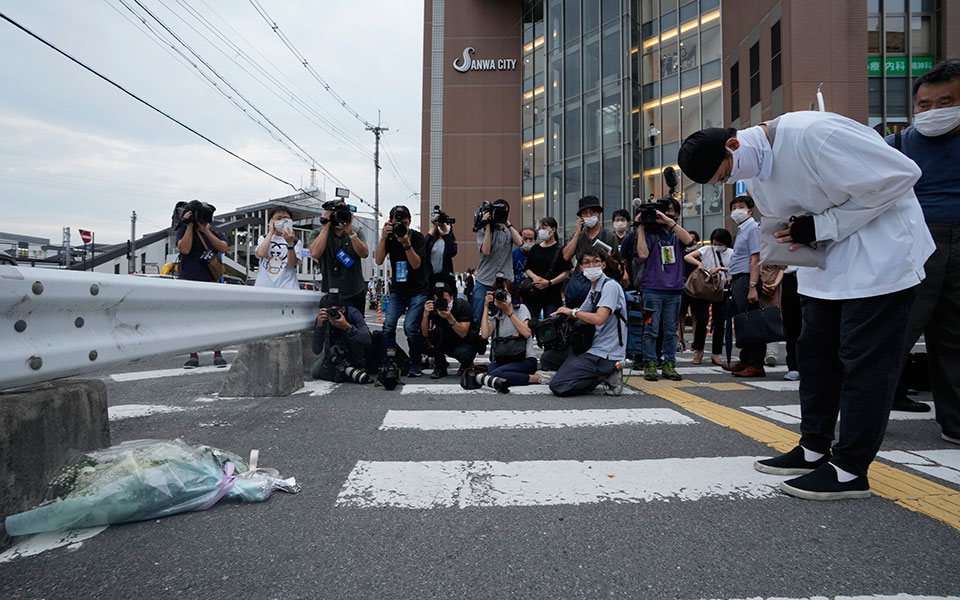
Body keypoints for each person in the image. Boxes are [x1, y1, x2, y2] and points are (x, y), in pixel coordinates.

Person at [679, 109, 934, 500]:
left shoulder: (814, 133)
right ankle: (814, 447)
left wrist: (822, 226)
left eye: (725, 175)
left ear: (733, 145)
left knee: (865, 361)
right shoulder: (757, 165)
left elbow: (901, 175)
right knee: (814, 356)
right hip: (822, 267)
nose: (729, 185)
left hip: (879, 260)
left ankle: (851, 468)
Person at [886, 59, 960, 424]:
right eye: (924, 105)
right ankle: (861, 422)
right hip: (912, 241)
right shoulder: (894, 145)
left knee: (954, 340)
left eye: (945, 103)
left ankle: (955, 423)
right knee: (892, 334)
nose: (933, 112)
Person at [547, 248, 627, 397]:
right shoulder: (594, 287)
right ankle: (581, 369)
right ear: (581, 268)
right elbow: (580, 314)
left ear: (603, 265)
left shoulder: (610, 286)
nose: (592, 266)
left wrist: (572, 312)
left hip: (605, 352)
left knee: (558, 386)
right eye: (587, 262)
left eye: (596, 261)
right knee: (549, 358)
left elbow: (599, 319)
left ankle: (606, 374)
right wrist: (560, 314)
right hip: (591, 344)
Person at [634, 198, 695, 381]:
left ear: (676, 213)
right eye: (661, 211)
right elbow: (643, 254)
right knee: (650, 329)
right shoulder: (651, 233)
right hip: (651, 289)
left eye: (668, 211)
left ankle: (669, 364)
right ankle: (650, 363)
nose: (663, 214)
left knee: (670, 331)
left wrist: (670, 222)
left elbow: (689, 241)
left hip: (674, 290)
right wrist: (641, 226)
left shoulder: (677, 233)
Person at [375, 204, 429, 378]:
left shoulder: (418, 237)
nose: (401, 227)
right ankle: (389, 361)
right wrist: (383, 238)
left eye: (404, 223)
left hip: (418, 290)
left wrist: (406, 244)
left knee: (410, 327)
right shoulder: (389, 238)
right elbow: (378, 260)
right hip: (398, 290)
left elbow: (416, 264)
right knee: (388, 325)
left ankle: (415, 362)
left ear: (410, 222)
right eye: (398, 223)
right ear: (390, 222)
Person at [175, 200, 229, 369]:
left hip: (210, 280)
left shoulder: (214, 233)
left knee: (214, 318)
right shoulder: (183, 230)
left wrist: (206, 230)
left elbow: (223, 248)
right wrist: (189, 225)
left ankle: (218, 353)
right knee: (191, 319)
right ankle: (193, 355)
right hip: (189, 279)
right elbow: (184, 248)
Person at [469, 283, 543, 392]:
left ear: (511, 295)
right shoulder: (495, 313)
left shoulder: (520, 309)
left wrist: (509, 312)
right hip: (503, 359)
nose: (502, 296)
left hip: (524, 359)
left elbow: (527, 333)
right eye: (498, 294)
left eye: (505, 293)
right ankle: (508, 376)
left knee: (496, 374)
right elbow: (484, 335)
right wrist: (486, 307)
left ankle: (534, 378)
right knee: (480, 372)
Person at [721, 195, 765, 377]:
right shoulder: (742, 229)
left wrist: (753, 286)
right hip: (739, 278)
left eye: (741, 207)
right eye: (734, 208)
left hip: (748, 279)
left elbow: (756, 259)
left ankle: (756, 363)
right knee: (743, 322)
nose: (736, 211)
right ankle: (746, 359)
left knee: (752, 322)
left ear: (750, 210)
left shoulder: (753, 228)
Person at [683, 228, 734, 366]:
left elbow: (736, 267)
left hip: (722, 290)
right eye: (715, 242)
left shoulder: (731, 253)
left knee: (719, 322)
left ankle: (716, 353)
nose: (716, 245)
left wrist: (722, 269)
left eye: (720, 243)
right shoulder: (706, 249)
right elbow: (687, 256)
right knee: (701, 321)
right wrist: (700, 264)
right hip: (704, 289)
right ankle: (698, 351)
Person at [562, 195, 623, 308]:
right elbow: (566, 256)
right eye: (585, 213)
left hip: (600, 287)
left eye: (592, 212)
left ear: (598, 213)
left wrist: (608, 258)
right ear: (581, 217)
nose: (589, 216)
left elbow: (617, 267)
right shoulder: (578, 236)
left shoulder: (609, 236)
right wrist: (576, 234)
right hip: (579, 286)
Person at [308, 203, 369, 315]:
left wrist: (350, 232)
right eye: (337, 214)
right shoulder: (318, 233)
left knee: (357, 326)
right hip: (331, 290)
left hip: (355, 290)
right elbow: (315, 253)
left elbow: (364, 253)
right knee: (332, 326)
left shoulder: (356, 231)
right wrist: (326, 225)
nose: (341, 218)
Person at [473, 199, 523, 325]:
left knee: (501, 318)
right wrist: (488, 225)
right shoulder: (483, 231)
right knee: (478, 317)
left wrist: (507, 222)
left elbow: (520, 243)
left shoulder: (508, 232)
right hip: (484, 280)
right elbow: (486, 251)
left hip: (504, 282)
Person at [311, 291, 372, 383]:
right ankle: (346, 369)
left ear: (343, 309)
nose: (332, 314)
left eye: (336, 310)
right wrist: (319, 327)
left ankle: (356, 366)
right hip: (336, 353)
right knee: (315, 371)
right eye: (329, 311)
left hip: (355, 352)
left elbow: (367, 339)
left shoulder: (352, 313)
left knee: (354, 334)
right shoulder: (322, 318)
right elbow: (316, 349)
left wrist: (346, 327)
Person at [421, 280, 477, 379]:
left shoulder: (462, 306)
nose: (442, 303)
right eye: (438, 300)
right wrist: (425, 315)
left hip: (463, 342)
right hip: (445, 340)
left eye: (445, 300)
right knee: (428, 341)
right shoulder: (433, 309)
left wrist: (449, 317)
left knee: (463, 353)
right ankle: (440, 366)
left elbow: (463, 333)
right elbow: (425, 334)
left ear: (452, 298)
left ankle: (466, 364)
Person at [523, 217, 573, 319]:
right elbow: (527, 268)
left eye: (544, 227)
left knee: (550, 326)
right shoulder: (535, 248)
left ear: (553, 229)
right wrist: (535, 277)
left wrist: (549, 282)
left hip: (552, 296)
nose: (541, 231)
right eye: (540, 228)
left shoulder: (561, 249)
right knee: (530, 324)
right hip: (534, 294)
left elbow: (566, 273)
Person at [254, 208, 302, 290]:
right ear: (272, 221)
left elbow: (292, 264)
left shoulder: (296, 241)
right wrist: (270, 232)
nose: (282, 221)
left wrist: (290, 243)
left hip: (288, 287)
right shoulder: (263, 238)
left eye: (286, 219)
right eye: (279, 218)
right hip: (263, 287)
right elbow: (261, 254)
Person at [678, 230, 701, 352]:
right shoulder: (680, 254)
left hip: (695, 289)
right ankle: (680, 341)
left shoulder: (699, 256)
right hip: (681, 287)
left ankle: (696, 342)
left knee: (695, 315)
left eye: (693, 240)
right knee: (680, 315)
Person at [425, 211, 458, 292]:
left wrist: (445, 233)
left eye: (446, 223)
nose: (444, 225)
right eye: (442, 223)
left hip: (445, 277)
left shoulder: (450, 242)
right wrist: (434, 227)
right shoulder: (431, 242)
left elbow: (452, 251)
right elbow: (422, 247)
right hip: (431, 277)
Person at [780, 266, 802, 381]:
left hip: (816, 276)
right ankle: (794, 366)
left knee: (816, 324)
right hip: (791, 277)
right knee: (791, 323)